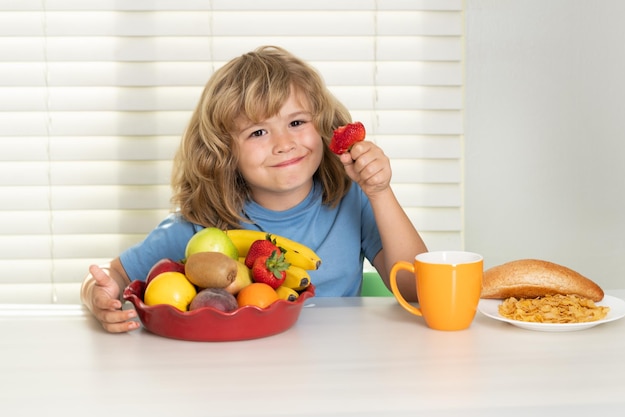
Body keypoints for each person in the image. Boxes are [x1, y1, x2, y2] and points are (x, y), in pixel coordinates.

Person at [80, 45, 428, 333]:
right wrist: (98, 296)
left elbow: (418, 289)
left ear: (321, 125)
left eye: (296, 122)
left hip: (337, 373)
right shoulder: (201, 226)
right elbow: (114, 275)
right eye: (258, 132)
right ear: (223, 152)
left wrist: (379, 191)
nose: (284, 143)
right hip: (239, 376)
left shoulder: (351, 200)